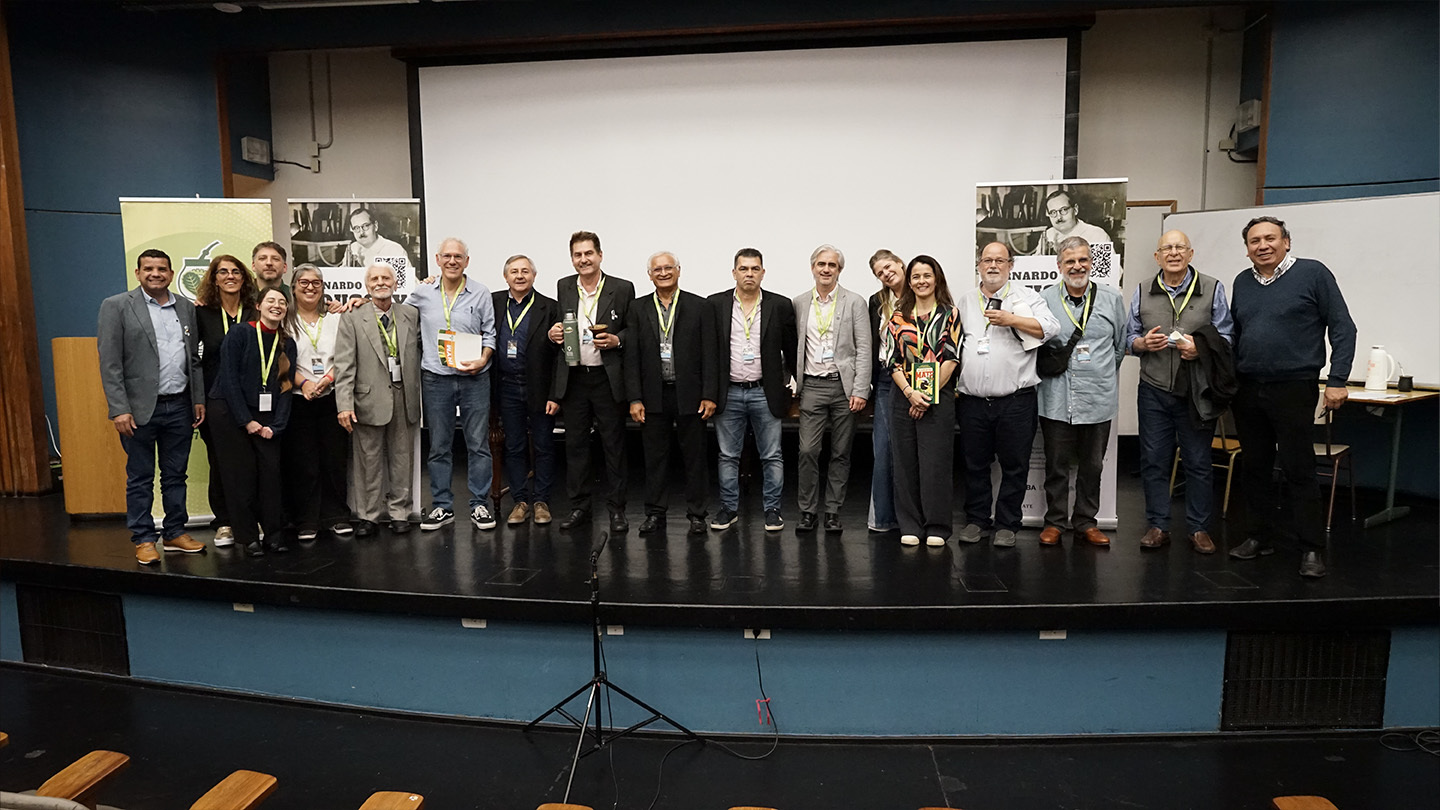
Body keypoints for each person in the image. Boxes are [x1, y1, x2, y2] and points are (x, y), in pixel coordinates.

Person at [1228, 216, 1356, 579]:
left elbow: (1343, 327)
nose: (1262, 245)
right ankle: (1259, 537)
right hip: (1249, 387)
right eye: (1255, 241)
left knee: (1299, 469)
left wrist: (1337, 379)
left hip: (1295, 386)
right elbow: (1238, 333)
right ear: (1247, 248)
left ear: (1287, 241)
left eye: (1270, 238)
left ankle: (1311, 549)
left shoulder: (1313, 274)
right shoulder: (1242, 281)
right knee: (1255, 468)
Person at [1125, 230, 1234, 554]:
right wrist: (1141, 344)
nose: (1173, 252)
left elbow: (1227, 337)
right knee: (1154, 461)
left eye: (1179, 247)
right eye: (1166, 248)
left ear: (1190, 253)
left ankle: (1199, 529)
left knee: (1199, 462)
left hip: (1196, 392)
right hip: (1154, 389)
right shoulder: (1143, 289)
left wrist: (1200, 349)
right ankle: (1158, 525)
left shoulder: (1212, 288)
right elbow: (1128, 335)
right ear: (1157, 256)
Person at [98, 249, 208, 564]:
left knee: (176, 475)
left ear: (171, 274)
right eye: (149, 268)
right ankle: (144, 538)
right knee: (140, 477)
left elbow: (194, 359)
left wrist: (197, 398)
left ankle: (174, 532)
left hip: (180, 406)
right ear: (138, 272)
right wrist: (119, 408)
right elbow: (110, 363)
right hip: (138, 411)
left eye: (161, 269)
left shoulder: (186, 307)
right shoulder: (116, 306)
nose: (155, 273)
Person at [955, 241, 1061, 547]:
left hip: (1016, 401)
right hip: (973, 401)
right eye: (987, 260)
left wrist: (1012, 319)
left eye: (999, 261)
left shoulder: (1027, 297)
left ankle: (1007, 523)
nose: (992, 266)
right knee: (975, 464)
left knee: (1015, 465)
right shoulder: (965, 301)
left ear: (1011, 265)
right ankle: (977, 520)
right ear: (979, 265)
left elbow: (1050, 328)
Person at [1037, 237, 1126, 548]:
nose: (1077, 266)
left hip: (1097, 398)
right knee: (1056, 465)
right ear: (1059, 266)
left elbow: (1119, 347)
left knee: (1092, 466)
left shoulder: (1111, 299)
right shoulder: (1045, 299)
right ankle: (1054, 523)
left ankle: (1086, 522)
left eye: (1083, 260)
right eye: (1070, 261)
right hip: (1056, 398)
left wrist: (1098, 374)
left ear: (1091, 263)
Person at [546, 231, 635, 534]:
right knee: (576, 447)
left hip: (607, 379)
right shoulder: (564, 286)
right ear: (572, 258)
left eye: (588, 254)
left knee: (614, 446)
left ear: (600, 255)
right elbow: (560, 326)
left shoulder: (621, 288)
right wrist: (553, 334)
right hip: (574, 378)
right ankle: (579, 507)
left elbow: (631, 330)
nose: (583, 260)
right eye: (577, 255)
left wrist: (617, 340)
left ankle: (617, 510)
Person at [624, 251, 717, 536]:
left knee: (695, 458)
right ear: (649, 275)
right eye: (657, 269)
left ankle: (698, 514)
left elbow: (710, 353)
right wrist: (634, 398)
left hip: (689, 393)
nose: (663, 273)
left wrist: (710, 394)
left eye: (668, 268)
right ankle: (655, 513)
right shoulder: (637, 308)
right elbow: (632, 357)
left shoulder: (699, 306)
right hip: (653, 395)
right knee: (654, 459)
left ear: (679, 271)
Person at [409, 238, 498, 532]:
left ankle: (480, 505)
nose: (452, 261)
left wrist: (483, 359)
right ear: (437, 259)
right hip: (436, 379)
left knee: (478, 444)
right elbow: (396, 317)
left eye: (458, 256)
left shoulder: (481, 292)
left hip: (475, 378)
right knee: (439, 446)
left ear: (467, 261)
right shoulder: (422, 293)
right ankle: (442, 507)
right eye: (446, 256)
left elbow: (490, 334)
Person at [707, 248, 797, 532]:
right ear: (734, 272)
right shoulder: (716, 304)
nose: (749, 274)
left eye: (754, 269)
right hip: (729, 391)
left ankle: (772, 510)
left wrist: (797, 384)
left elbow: (792, 350)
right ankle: (728, 509)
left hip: (765, 391)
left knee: (771, 455)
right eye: (743, 269)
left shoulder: (779, 305)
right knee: (727, 455)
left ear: (763, 272)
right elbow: (709, 354)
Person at [333, 262, 422, 536]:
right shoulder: (352, 317)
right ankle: (369, 516)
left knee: (401, 459)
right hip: (366, 401)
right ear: (367, 285)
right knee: (368, 461)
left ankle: (399, 513)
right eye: (374, 279)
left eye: (386, 278)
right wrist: (344, 404)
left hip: (404, 397)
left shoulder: (410, 314)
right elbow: (344, 364)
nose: (381, 282)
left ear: (396, 284)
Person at [210, 287, 297, 556]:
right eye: (270, 300)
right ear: (258, 306)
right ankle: (248, 537)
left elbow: (286, 386)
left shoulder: (288, 343)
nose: (277, 305)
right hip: (230, 413)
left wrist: (277, 425)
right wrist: (246, 420)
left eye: (282, 302)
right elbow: (229, 379)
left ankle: (273, 534)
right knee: (241, 477)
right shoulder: (241, 333)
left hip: (268, 417)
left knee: (271, 476)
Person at [881, 255, 960, 547]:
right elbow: (891, 360)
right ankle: (910, 524)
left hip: (937, 398)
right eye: (916, 276)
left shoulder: (950, 314)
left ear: (936, 279)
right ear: (909, 281)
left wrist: (926, 396)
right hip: (903, 397)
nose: (921, 281)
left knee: (935, 464)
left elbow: (951, 358)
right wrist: (911, 394)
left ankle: (937, 525)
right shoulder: (898, 316)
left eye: (927, 275)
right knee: (905, 463)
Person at [792, 244, 871, 533]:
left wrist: (860, 389)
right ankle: (807, 511)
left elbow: (864, 348)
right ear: (812, 268)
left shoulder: (855, 302)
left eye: (832, 265)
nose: (826, 269)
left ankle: (832, 512)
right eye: (821, 264)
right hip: (812, 385)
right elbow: (794, 347)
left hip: (844, 388)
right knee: (807, 451)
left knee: (840, 452)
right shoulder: (799, 302)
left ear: (840, 270)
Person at [283, 264, 353, 541]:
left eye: (316, 282)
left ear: (323, 288)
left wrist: (327, 379)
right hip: (298, 398)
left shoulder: (337, 319)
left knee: (334, 459)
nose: (310, 287)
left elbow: (348, 355)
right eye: (304, 282)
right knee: (304, 462)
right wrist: (304, 383)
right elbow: (279, 359)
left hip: (332, 395)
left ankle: (336, 516)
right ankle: (307, 520)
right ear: (294, 287)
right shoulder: (285, 320)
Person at [193, 254, 258, 548]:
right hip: (216, 398)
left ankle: (251, 518)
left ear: (244, 278)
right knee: (220, 462)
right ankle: (224, 522)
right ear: (214, 278)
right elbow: (193, 359)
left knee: (252, 460)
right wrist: (198, 398)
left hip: (253, 398)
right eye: (223, 272)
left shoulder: (255, 312)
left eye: (235, 272)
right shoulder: (202, 313)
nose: (230, 276)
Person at [492, 254, 559, 525]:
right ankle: (520, 501)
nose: (520, 276)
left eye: (525, 271)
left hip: (539, 388)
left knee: (543, 445)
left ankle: (541, 501)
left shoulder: (550, 307)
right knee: (515, 446)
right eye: (514, 272)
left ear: (534, 275)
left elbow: (559, 357)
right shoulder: (494, 302)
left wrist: (556, 394)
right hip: (506, 386)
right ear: (505, 276)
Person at [866, 249, 906, 533]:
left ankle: (913, 518)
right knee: (883, 449)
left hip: (918, 377)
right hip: (884, 379)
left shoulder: (922, 292)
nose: (886, 273)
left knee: (913, 449)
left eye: (888, 266)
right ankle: (883, 518)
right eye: (880, 272)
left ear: (900, 263)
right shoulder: (877, 302)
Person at [1039, 190, 1110, 254]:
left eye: (1064, 210)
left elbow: (1109, 267)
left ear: (1075, 210)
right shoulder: (1048, 235)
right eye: (1053, 212)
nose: (1059, 217)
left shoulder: (1097, 235)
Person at [344, 208, 409, 271]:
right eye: (356, 228)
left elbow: (409, 280)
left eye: (366, 226)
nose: (361, 232)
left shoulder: (394, 250)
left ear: (375, 226)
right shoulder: (352, 248)